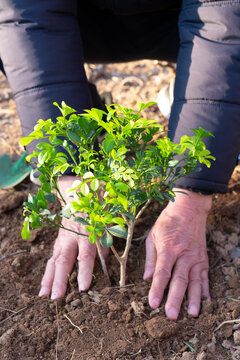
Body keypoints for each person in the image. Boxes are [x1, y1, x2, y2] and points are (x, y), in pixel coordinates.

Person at [1, 0, 239, 320]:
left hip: (182, 18)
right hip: (89, 20)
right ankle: (87, 126)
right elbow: (26, 18)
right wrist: (71, 176)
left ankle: (195, 100)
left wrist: (191, 195)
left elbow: (225, 18)